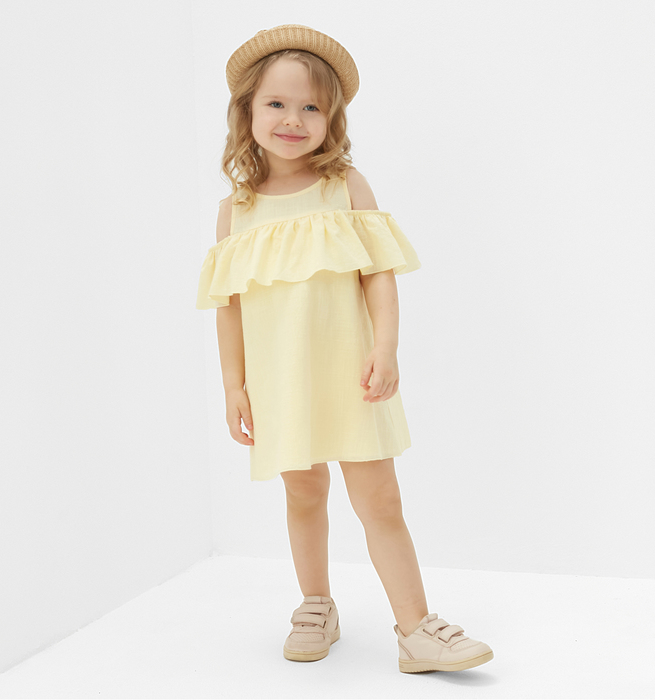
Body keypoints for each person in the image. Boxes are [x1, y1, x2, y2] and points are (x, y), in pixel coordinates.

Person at [195, 24, 494, 674]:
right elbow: (230, 306)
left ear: (332, 118)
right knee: (303, 492)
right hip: (280, 380)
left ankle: (415, 629)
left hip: (352, 373)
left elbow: (379, 275)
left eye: (311, 106)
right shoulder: (235, 210)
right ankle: (316, 604)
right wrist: (234, 385)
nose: (293, 119)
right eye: (276, 103)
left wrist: (386, 347)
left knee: (380, 498)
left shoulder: (346, 187)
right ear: (247, 112)